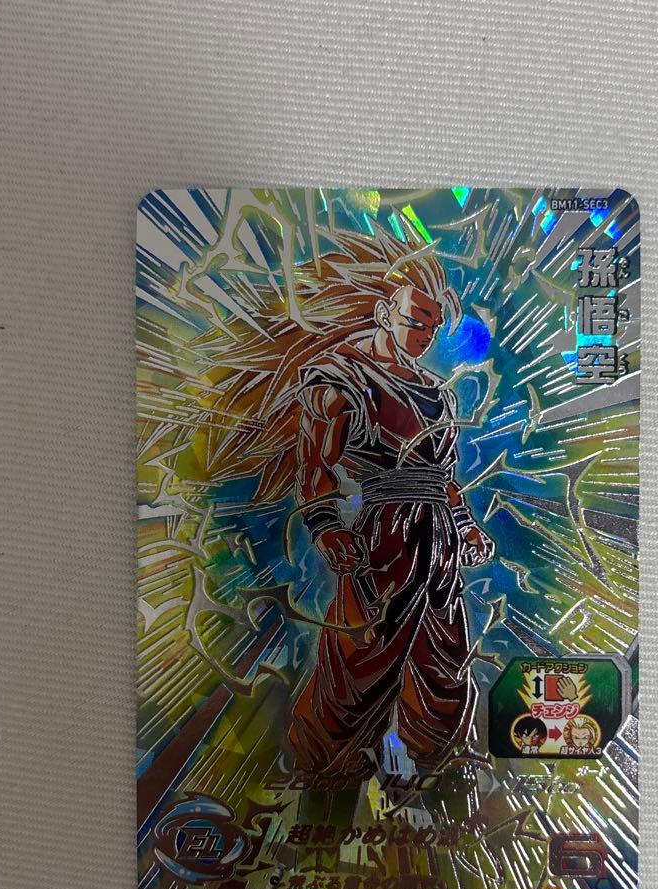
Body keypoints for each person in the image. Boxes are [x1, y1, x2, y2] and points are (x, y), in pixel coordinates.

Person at [195, 228, 494, 788]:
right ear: (384, 313)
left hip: (439, 542)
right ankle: (324, 771)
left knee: (445, 658)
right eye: (416, 320)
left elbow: (442, 478)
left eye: (433, 326)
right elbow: (315, 465)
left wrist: (465, 525)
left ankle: (435, 768)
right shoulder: (341, 380)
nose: (425, 336)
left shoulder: (438, 392)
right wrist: (327, 525)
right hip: (383, 536)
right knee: (361, 657)